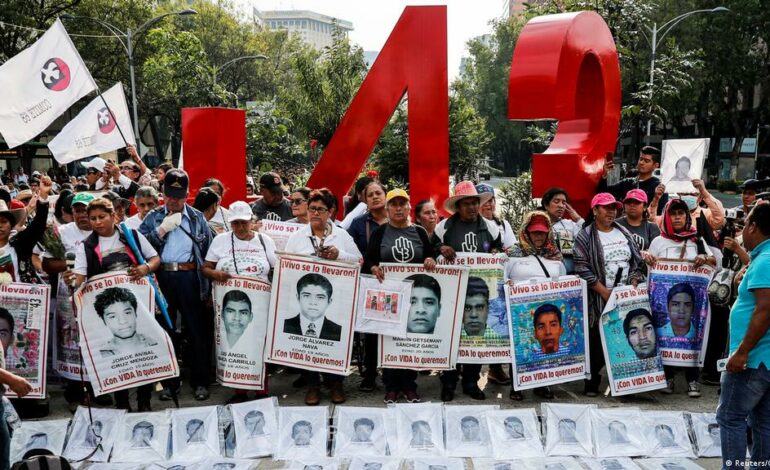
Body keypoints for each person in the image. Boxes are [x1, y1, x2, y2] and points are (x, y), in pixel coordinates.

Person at [63, 196, 160, 412]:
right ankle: (122, 403)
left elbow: (154, 258)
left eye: (101, 217)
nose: (97, 222)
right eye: (93, 218)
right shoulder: (87, 246)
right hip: (111, 310)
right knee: (118, 357)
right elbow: (79, 277)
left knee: (143, 353)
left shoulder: (131, 236)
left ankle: (144, 401)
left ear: (113, 216)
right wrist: (71, 279)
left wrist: (145, 269)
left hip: (138, 305)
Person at [140, 169, 214, 402]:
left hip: (189, 276)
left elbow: (208, 252)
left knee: (196, 331)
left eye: (179, 196)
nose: (174, 200)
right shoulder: (152, 217)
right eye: (170, 195)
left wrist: (208, 287)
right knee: (165, 331)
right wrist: (161, 230)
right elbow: (140, 248)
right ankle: (170, 383)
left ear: (187, 194)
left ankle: (200, 381)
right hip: (162, 276)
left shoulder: (196, 218)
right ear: (163, 193)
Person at [284, 188, 361, 405]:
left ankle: (335, 383)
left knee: (332, 340)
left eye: (321, 209)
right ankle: (312, 385)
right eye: (312, 208)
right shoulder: (297, 237)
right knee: (307, 341)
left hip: (334, 300)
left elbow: (359, 261)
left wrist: (340, 255)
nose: (316, 213)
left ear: (331, 212)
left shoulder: (341, 235)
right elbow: (286, 268)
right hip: (306, 301)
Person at [364, 189, 437, 404]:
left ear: (408, 207)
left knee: (410, 340)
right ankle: (391, 386)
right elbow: (367, 260)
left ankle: (410, 385)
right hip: (389, 296)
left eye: (402, 204)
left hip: (414, 296)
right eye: (393, 204)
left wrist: (431, 259)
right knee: (389, 340)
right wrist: (374, 267)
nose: (398, 208)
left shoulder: (420, 232)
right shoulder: (380, 232)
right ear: (387, 208)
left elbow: (430, 254)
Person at [646, 198, 721, 397]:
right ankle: (667, 379)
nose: (677, 217)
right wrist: (648, 258)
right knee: (664, 337)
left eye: (681, 214)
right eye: (673, 214)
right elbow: (648, 268)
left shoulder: (697, 240)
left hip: (692, 302)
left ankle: (692, 381)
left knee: (693, 338)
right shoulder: (658, 241)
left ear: (687, 217)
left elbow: (715, 262)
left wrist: (704, 257)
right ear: (667, 217)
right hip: (665, 303)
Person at [434, 181, 502, 402]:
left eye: (475, 203)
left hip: (478, 291)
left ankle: (471, 382)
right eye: (467, 204)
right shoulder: (443, 227)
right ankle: (449, 380)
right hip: (452, 292)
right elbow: (430, 248)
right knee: (452, 336)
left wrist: (495, 252)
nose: (472, 208)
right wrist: (440, 248)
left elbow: (500, 249)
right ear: (458, 206)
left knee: (474, 337)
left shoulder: (491, 228)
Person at [574, 193, 644, 396]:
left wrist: (633, 280)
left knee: (623, 336)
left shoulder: (624, 233)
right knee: (596, 339)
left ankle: (623, 383)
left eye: (614, 207)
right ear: (595, 210)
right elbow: (581, 267)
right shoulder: (585, 236)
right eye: (606, 207)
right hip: (598, 296)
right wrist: (604, 292)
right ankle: (592, 381)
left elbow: (637, 263)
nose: (611, 211)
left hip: (624, 297)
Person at [717, 203, 770, 468]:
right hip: (764, 359)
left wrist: (742, 352)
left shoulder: (766, 260)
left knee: (730, 417)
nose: (741, 232)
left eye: (744, 224)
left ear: (753, 227)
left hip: (754, 359)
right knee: (763, 423)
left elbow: (766, 309)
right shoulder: (763, 258)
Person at [506, 210, 565, 400]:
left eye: (542, 232)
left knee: (543, 347)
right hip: (520, 311)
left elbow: (563, 282)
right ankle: (517, 386)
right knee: (521, 346)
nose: (538, 236)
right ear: (526, 232)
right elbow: (501, 277)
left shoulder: (555, 255)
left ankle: (542, 385)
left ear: (548, 232)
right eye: (534, 232)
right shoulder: (512, 254)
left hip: (546, 312)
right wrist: (507, 284)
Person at [348, 181, 389, 393]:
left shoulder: (398, 219)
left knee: (394, 330)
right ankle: (370, 374)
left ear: (386, 195)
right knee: (372, 332)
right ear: (364, 199)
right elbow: (352, 253)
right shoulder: (357, 224)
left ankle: (394, 375)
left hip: (396, 284)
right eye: (369, 194)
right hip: (370, 285)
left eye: (378, 193)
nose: (374, 197)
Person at [203, 200, 276, 284]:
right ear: (230, 223)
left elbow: (277, 269)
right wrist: (213, 273)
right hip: (226, 294)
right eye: (236, 223)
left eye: (244, 222)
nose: (240, 227)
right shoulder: (220, 240)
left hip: (259, 294)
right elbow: (206, 267)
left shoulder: (265, 240)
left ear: (252, 221)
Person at [599, 146, 668, 215]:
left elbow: (661, 215)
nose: (641, 162)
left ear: (655, 165)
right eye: (640, 159)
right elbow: (603, 195)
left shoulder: (659, 188)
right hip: (625, 224)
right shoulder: (627, 182)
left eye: (646, 161)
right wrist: (604, 175)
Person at [93, 287, 158, 357]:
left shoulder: (155, 342)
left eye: (127, 313)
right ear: (104, 321)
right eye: (112, 316)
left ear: (135, 313)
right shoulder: (101, 354)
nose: (122, 321)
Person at [283, 273, 342, 341]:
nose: (313, 303)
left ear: (329, 301)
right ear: (298, 298)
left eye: (320, 297)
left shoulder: (338, 332)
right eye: (306, 296)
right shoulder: (284, 326)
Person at [476, 183, 515, 249]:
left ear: (495, 202)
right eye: (483, 201)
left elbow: (512, 248)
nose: (487, 204)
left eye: (490, 200)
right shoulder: (471, 225)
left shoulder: (504, 224)